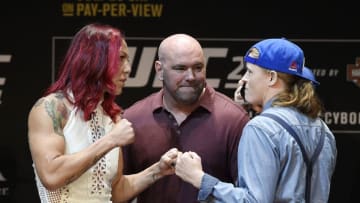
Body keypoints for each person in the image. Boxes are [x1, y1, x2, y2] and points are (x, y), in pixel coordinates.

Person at [27, 23, 177, 203]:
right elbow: (51, 175)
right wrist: (110, 140)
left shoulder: (111, 117)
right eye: (120, 58)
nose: (128, 68)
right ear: (95, 59)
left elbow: (116, 191)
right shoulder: (51, 108)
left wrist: (157, 170)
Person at [175, 38, 337, 202]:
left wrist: (199, 178)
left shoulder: (261, 128)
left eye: (250, 72)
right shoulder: (323, 129)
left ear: (271, 77)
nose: (243, 79)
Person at [121, 33, 250, 203]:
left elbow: (247, 196)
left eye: (198, 67)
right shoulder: (134, 118)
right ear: (159, 70)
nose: (191, 77)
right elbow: (118, 191)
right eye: (180, 69)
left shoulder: (234, 120)